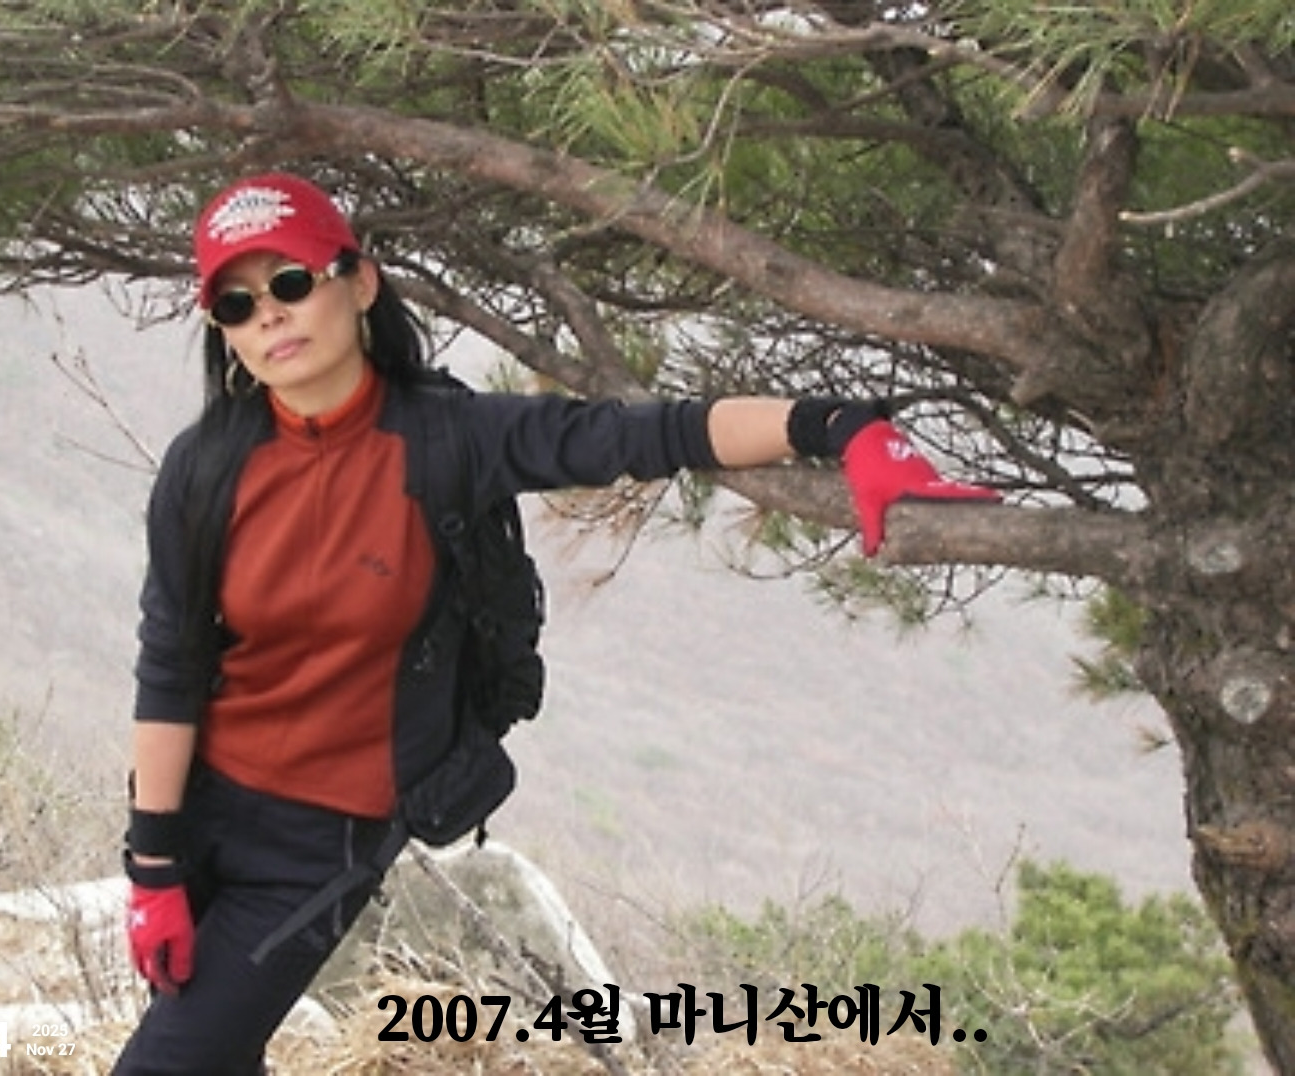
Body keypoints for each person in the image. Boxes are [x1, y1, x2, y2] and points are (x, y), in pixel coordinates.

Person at [112, 172, 998, 1075]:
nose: (269, 314)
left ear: (360, 283)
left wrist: (840, 427)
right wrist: (153, 866)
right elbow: (170, 666)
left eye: (292, 282)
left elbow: (650, 435)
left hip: (322, 838)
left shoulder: (451, 439)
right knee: (216, 1057)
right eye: (236, 303)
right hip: (202, 810)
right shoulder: (205, 466)